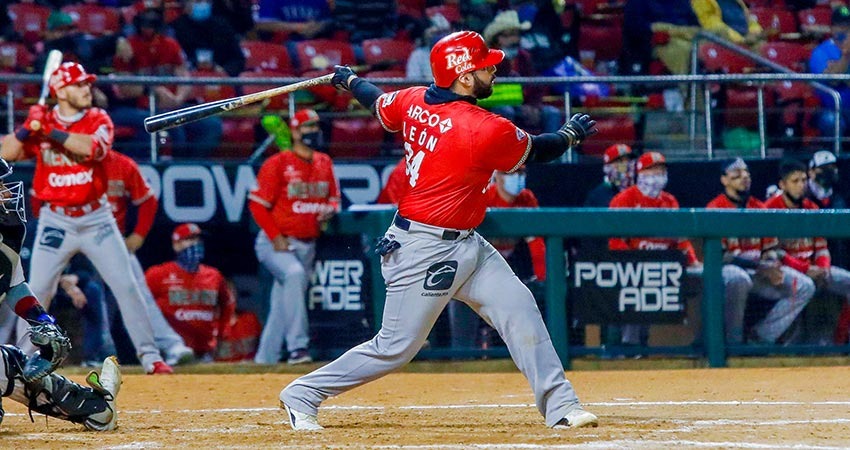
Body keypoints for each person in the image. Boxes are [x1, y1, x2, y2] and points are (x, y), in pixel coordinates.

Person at [280, 30, 600, 431]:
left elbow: (376, 101)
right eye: (485, 67)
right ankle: (303, 393)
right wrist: (570, 135)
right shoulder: (484, 127)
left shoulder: (413, 99)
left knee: (519, 309)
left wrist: (350, 81)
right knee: (395, 348)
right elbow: (541, 149)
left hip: (467, 243)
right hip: (423, 248)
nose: (493, 71)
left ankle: (561, 407)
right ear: (464, 77)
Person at [0, 61, 173, 374]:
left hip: (96, 219)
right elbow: (6, 153)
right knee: (37, 290)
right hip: (56, 219)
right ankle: (23, 358)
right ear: (60, 90)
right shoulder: (42, 121)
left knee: (126, 286)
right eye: (78, 84)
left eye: (86, 84)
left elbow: (93, 149)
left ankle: (151, 357)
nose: (86, 89)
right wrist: (27, 127)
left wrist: (46, 130)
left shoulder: (97, 118)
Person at [0, 156, 121, 431]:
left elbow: (14, 286)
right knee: (6, 364)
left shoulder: (4, 239)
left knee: (11, 363)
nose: (6, 194)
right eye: (0, 187)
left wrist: (42, 321)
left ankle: (94, 408)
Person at [249, 108, 340, 365]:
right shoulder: (278, 163)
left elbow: (334, 198)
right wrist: (275, 236)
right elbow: (257, 205)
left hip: (307, 243)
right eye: (308, 127)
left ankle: (265, 359)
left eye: (316, 126)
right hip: (277, 243)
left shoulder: (324, 161)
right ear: (295, 132)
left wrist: (330, 209)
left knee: (283, 303)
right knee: (294, 275)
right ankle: (298, 348)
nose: (314, 131)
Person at [706, 158, 815, 344]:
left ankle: (760, 337)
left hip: (758, 270)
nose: (744, 177)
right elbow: (720, 256)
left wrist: (771, 264)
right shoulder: (715, 208)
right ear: (724, 180)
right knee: (739, 279)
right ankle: (734, 343)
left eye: (746, 173)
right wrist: (761, 266)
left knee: (804, 286)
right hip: (726, 272)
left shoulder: (759, 207)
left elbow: (770, 248)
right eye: (737, 174)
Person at [102, 150, 195, 365]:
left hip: (112, 240)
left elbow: (148, 200)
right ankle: (27, 349)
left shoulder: (123, 164)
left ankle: (171, 346)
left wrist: (139, 234)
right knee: (40, 288)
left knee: (137, 291)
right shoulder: (66, 162)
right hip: (68, 236)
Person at [609, 151, 701, 348]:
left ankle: (703, 342)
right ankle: (629, 346)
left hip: (666, 265)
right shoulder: (624, 199)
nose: (658, 175)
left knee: (702, 278)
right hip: (632, 265)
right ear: (640, 173)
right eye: (652, 170)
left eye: (661, 170)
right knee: (636, 282)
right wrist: (636, 262)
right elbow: (615, 242)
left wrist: (693, 261)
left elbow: (681, 240)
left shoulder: (670, 201)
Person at [111, 7, 222, 159]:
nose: (148, 28)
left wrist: (178, 98)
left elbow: (184, 77)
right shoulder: (127, 47)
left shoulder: (170, 44)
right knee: (173, 127)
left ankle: (192, 165)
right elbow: (125, 89)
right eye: (145, 23)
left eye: (152, 24)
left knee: (211, 124)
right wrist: (154, 91)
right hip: (136, 106)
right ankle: (166, 166)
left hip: (171, 104)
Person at [765, 159, 850, 342]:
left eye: (804, 180)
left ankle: (839, 341)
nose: (801, 185)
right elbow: (775, 252)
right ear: (782, 184)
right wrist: (806, 269)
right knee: (804, 285)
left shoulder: (811, 207)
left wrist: (823, 268)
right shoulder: (770, 208)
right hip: (785, 270)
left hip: (814, 268)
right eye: (795, 181)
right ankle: (762, 336)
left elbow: (821, 247)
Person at [145, 223, 236, 362]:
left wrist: (222, 333)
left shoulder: (214, 275)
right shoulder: (157, 274)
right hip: (169, 353)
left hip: (205, 351)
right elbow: (141, 307)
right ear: (176, 245)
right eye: (190, 239)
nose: (196, 244)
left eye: (198, 240)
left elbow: (227, 305)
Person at [483, 9, 561, 134]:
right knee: (506, 111)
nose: (515, 39)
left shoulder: (524, 57)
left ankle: (551, 147)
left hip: (523, 106)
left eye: (516, 35)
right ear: (497, 39)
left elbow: (535, 85)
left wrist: (534, 107)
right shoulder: (488, 59)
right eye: (508, 35)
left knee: (552, 113)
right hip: (494, 106)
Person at [171, 0, 246, 77]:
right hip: (188, 77)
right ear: (186, 5)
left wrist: (225, 71)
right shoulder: (176, 28)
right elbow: (174, 60)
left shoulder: (222, 26)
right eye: (198, 1)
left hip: (220, 78)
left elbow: (237, 59)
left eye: (207, 1)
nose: (203, 4)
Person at [808, 5, 850, 139]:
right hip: (830, 109)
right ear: (832, 28)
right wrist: (846, 54)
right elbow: (833, 80)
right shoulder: (821, 52)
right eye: (840, 26)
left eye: (848, 26)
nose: (845, 30)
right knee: (831, 121)